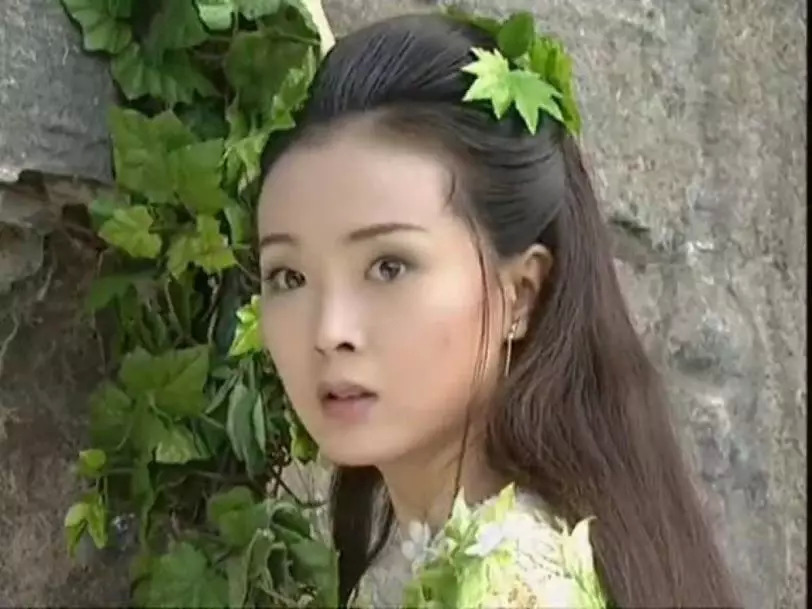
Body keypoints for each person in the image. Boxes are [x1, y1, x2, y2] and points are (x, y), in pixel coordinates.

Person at [256, 11, 739, 609]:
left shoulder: (513, 588)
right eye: (289, 276)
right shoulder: (460, 557)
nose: (330, 331)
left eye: (389, 267)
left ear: (521, 293)